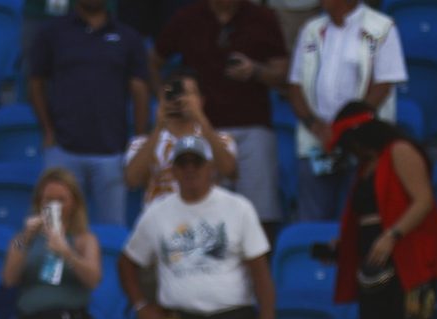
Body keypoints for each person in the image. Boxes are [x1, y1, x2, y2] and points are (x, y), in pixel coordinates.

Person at [121, 132, 275, 319]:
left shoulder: (238, 208)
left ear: (211, 168)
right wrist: (141, 306)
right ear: (173, 170)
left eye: (197, 162)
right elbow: (127, 262)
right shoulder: (157, 212)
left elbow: (260, 272)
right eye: (183, 163)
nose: (190, 169)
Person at [328, 104, 437, 319]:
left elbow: (424, 200)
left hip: (409, 258)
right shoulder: (366, 165)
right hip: (374, 263)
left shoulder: (400, 150)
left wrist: (392, 235)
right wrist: (345, 244)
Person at [152, 0, 290, 221]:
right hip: (200, 128)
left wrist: (255, 70)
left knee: (259, 214)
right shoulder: (187, 18)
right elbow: (154, 61)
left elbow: (283, 73)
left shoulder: (263, 18)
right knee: (203, 213)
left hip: (253, 127)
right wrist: (166, 99)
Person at [27, 0, 151, 228]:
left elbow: (140, 90)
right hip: (63, 150)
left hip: (111, 154)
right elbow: (36, 83)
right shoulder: (53, 33)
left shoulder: (128, 37)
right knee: (54, 229)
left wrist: (139, 140)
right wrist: (48, 129)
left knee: (112, 231)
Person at [284, 0, 405, 221]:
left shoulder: (382, 27)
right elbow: (295, 86)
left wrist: (345, 128)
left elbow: (383, 86)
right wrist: (316, 126)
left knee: (356, 220)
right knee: (312, 223)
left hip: (361, 142)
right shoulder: (311, 30)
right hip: (316, 141)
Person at [0, 169, 104, 319]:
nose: (54, 205)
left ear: (74, 203)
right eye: (48, 200)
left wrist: (67, 253)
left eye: (61, 200)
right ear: (39, 202)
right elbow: (9, 278)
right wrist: (26, 237)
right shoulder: (22, 239)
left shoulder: (84, 239)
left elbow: (93, 279)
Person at [123, 69, 241, 209]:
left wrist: (199, 117)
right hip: (160, 219)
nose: (180, 99)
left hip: (205, 218)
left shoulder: (222, 140)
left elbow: (229, 172)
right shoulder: (142, 143)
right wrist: (159, 125)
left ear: (201, 100)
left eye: (188, 93)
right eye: (174, 93)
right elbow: (132, 181)